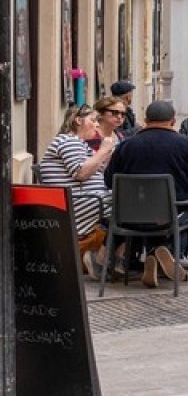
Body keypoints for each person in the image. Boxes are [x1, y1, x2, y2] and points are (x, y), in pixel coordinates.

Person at [102, 100, 188, 284]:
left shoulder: (126, 146)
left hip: (129, 218)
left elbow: (109, 181)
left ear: (146, 120)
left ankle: (153, 256)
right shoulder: (187, 144)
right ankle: (165, 252)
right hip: (173, 214)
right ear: (172, 121)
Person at [38, 105, 116, 278]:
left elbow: (96, 171)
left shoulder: (78, 144)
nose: (97, 125)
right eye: (93, 120)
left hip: (85, 201)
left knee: (127, 206)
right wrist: (103, 150)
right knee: (130, 206)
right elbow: (80, 173)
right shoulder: (68, 141)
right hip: (79, 202)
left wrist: (106, 155)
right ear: (77, 120)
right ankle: (105, 258)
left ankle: (105, 257)